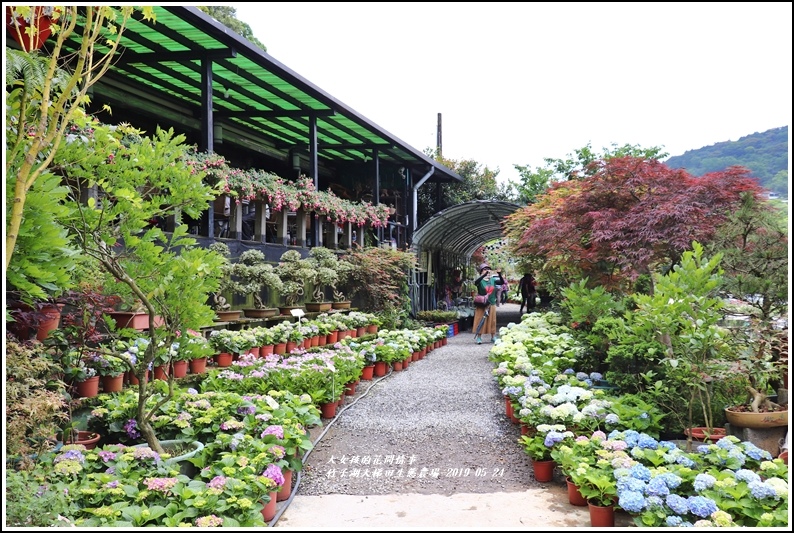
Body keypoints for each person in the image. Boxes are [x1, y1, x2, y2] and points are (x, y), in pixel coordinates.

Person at [472, 263, 503, 344]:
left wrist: (499, 274)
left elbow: (502, 282)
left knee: (492, 320)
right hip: (482, 303)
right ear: (481, 271)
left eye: (488, 269)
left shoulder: (493, 280)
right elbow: (476, 282)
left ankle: (493, 337)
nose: (487, 270)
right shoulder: (480, 281)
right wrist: (483, 275)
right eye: (485, 269)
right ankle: (479, 337)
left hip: (491, 303)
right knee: (480, 320)